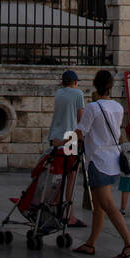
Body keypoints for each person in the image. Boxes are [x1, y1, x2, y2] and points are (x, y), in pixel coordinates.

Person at [73, 69, 130, 258]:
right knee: (99, 205)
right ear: (110, 86)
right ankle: (90, 243)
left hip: (98, 160)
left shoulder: (93, 107)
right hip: (113, 159)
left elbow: (81, 131)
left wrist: (62, 141)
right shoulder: (117, 107)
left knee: (108, 205)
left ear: (95, 85)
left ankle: (129, 242)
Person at [47, 69, 87, 227]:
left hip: (55, 137)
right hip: (70, 138)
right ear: (76, 82)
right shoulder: (78, 94)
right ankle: (69, 216)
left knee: (58, 175)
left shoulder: (58, 94)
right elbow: (80, 118)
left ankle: (54, 209)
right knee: (71, 179)